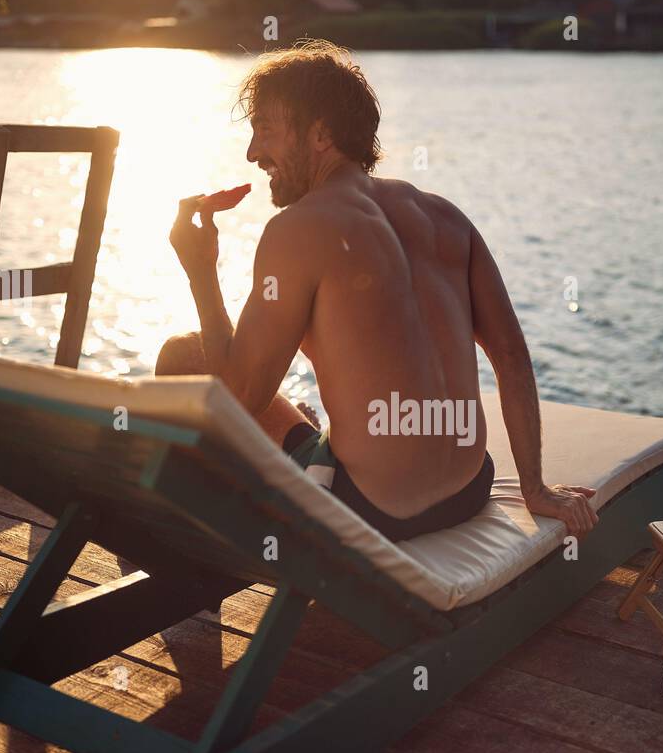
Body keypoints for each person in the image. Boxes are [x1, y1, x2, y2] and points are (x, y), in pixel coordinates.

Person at [157, 40, 596, 542]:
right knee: (318, 413)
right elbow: (513, 357)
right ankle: (321, 437)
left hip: (367, 508)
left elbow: (238, 398)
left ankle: (187, 552)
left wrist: (200, 271)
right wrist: (535, 488)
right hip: (470, 487)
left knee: (183, 357)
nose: (254, 152)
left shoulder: (297, 228)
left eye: (265, 130)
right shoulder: (446, 217)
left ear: (320, 134)